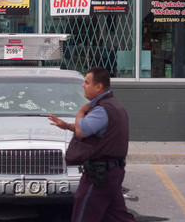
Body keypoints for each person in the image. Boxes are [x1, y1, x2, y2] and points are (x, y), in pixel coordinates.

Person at [48, 67, 136, 222]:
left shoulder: (102, 110)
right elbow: (90, 128)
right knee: (117, 216)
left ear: (98, 87)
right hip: (111, 173)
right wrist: (66, 126)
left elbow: (82, 131)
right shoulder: (111, 105)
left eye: (87, 82)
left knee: (83, 215)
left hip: (99, 175)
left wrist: (80, 112)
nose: (83, 86)